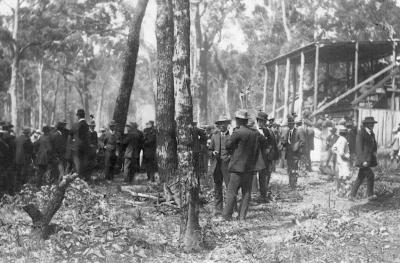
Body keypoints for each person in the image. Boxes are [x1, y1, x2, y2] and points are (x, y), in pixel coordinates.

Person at [222, 110, 266, 221]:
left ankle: (227, 216)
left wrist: (231, 133)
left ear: (238, 120)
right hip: (250, 168)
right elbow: (264, 142)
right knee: (246, 192)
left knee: (232, 192)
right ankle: (242, 216)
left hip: (237, 168)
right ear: (246, 121)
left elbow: (227, 145)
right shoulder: (255, 133)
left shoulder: (238, 132)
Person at [350, 117, 378, 201]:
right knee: (370, 175)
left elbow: (373, 145)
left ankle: (352, 195)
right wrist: (363, 161)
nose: (372, 125)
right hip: (363, 160)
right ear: (365, 124)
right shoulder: (361, 133)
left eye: (373, 123)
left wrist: (374, 153)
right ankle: (370, 195)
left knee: (360, 177)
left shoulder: (371, 133)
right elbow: (358, 148)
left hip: (368, 159)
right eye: (370, 123)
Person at [209, 115, 231, 215]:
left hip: (227, 165)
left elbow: (235, 151)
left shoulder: (231, 136)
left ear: (227, 124)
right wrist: (213, 153)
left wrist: (230, 156)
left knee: (229, 187)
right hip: (217, 165)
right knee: (217, 186)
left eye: (224, 123)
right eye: (220, 123)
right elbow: (210, 149)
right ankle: (218, 209)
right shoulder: (214, 136)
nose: (222, 125)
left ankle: (231, 208)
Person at [256, 111, 279, 201]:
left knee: (263, 176)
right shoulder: (253, 130)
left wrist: (269, 150)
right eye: (261, 121)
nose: (262, 123)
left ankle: (263, 195)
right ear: (257, 121)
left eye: (264, 122)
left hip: (264, 157)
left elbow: (271, 143)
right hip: (254, 157)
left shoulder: (267, 131)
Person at [283, 115, 305, 189]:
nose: (289, 125)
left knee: (294, 169)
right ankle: (291, 183)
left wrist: (297, 148)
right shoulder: (288, 132)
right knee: (289, 168)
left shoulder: (298, 131)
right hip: (289, 154)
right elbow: (286, 141)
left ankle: (293, 184)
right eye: (288, 124)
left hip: (295, 154)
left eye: (291, 124)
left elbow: (302, 141)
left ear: (293, 124)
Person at [70, 109, 90, 181]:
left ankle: (77, 179)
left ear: (78, 116)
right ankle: (82, 179)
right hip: (85, 147)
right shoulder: (87, 125)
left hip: (77, 147)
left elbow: (71, 134)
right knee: (83, 163)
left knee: (76, 164)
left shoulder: (76, 125)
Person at [332, 125, 351, 196]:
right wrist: (345, 157)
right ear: (345, 133)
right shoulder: (344, 140)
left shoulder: (339, 139)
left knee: (340, 176)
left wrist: (337, 154)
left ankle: (339, 191)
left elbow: (333, 148)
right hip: (344, 161)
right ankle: (344, 192)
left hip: (339, 160)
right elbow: (342, 152)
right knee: (345, 177)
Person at [14, 127, 33, 192]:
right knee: (24, 174)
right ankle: (23, 189)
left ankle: (16, 188)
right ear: (28, 133)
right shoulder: (27, 140)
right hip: (24, 159)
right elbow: (30, 151)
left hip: (17, 159)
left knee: (17, 174)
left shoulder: (17, 138)